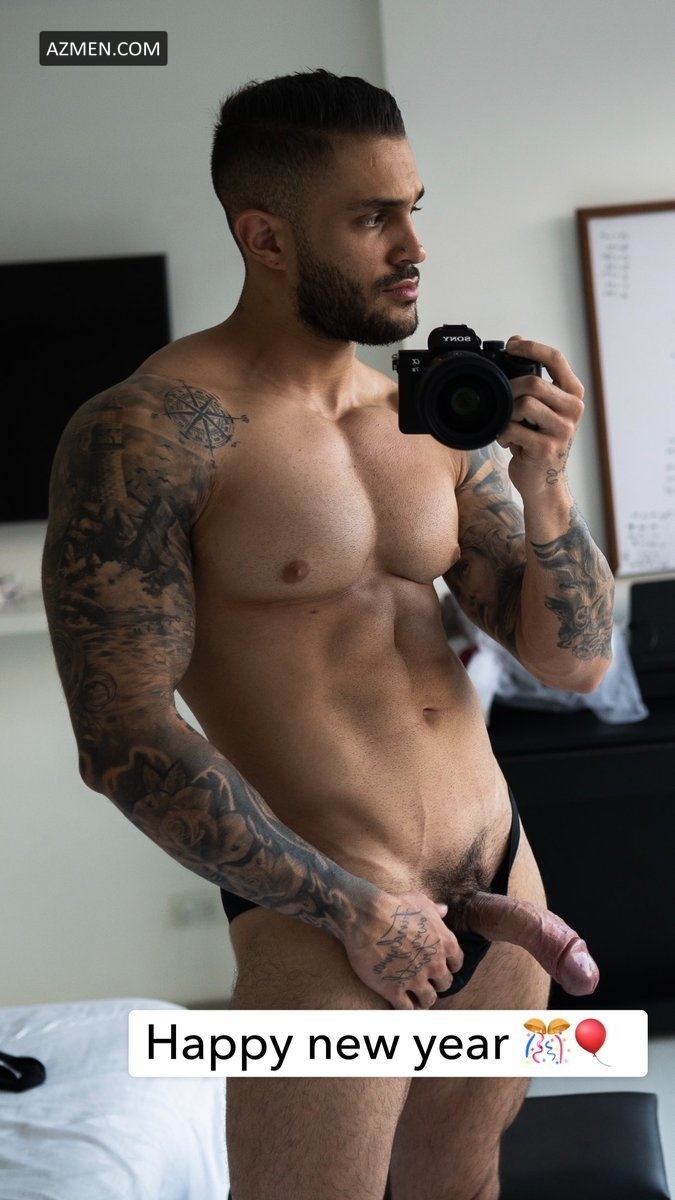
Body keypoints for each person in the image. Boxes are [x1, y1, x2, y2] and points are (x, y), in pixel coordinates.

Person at [42, 69, 615, 1200]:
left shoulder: (425, 416)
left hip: (505, 885)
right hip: (327, 926)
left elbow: (575, 660)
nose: (413, 247)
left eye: (413, 209)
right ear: (265, 237)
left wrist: (547, 487)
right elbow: (121, 735)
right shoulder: (149, 434)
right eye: (371, 218)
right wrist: (348, 909)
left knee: (464, 1184)